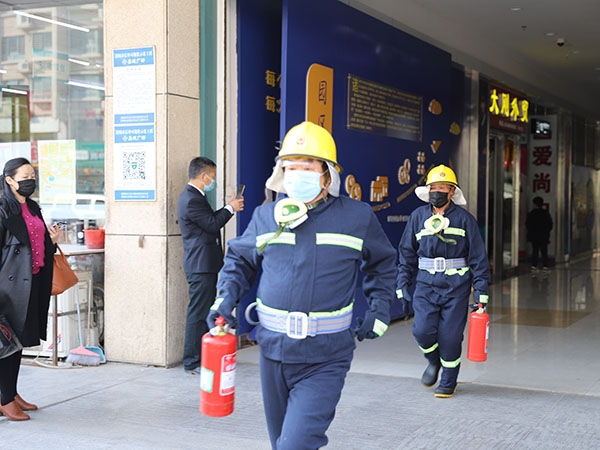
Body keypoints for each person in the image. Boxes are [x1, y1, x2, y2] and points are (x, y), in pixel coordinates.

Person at [207, 121, 397, 449]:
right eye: (291, 167)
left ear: (327, 174)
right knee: (280, 442)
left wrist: (380, 309)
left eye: (307, 167)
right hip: (273, 351)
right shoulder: (266, 217)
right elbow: (239, 262)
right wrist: (224, 300)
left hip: (326, 356)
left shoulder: (357, 217)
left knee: (295, 445)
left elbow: (382, 264)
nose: (298, 174)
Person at [396, 164, 490, 398]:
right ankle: (433, 361)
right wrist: (402, 283)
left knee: (450, 336)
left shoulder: (465, 220)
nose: (437, 192)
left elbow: (478, 258)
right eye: (434, 187)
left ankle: (449, 380)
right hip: (426, 285)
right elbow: (406, 252)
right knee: (422, 331)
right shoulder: (418, 217)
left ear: (452, 192)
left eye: (443, 188)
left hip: (456, 288)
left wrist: (481, 293)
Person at [0, 157, 61, 421]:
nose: (30, 180)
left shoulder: (33, 207)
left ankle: (11, 393)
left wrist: (52, 240)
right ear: (9, 180)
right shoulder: (3, 209)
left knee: (20, 342)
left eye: (33, 175)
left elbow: (37, 241)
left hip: (33, 281)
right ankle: (5, 399)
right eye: (24, 176)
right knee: (6, 344)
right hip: (8, 287)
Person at [177, 156, 244, 374]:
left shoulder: (196, 196)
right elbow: (212, 223)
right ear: (204, 175)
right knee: (197, 313)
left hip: (205, 263)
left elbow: (210, 221)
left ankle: (203, 355)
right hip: (200, 265)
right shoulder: (191, 199)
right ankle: (191, 361)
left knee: (204, 310)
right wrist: (230, 208)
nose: (212, 181)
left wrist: (228, 208)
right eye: (212, 177)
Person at [526, 196, 553, 271]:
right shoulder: (545, 213)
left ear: (535, 204)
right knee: (544, 251)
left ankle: (534, 265)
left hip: (534, 236)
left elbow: (528, 224)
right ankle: (545, 265)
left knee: (535, 250)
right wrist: (546, 232)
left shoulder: (531, 214)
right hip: (544, 236)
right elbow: (550, 224)